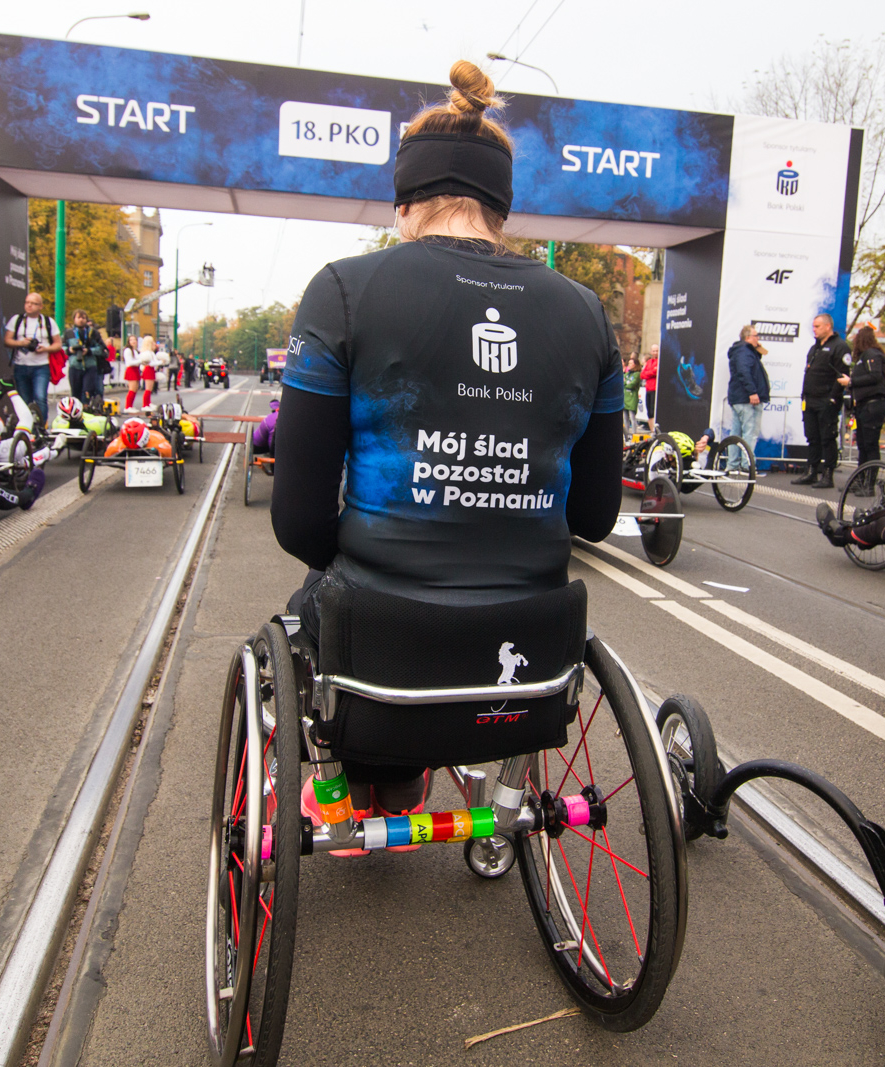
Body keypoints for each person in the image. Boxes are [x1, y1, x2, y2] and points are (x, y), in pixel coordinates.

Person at [270, 60, 621, 836]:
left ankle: (373, 781)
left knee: (316, 594)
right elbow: (594, 515)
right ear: (501, 207)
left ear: (403, 202)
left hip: (382, 650)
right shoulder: (587, 313)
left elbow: (297, 519)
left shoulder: (344, 290)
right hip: (532, 650)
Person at [792, 313, 850, 488]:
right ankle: (811, 471)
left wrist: (832, 399)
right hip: (810, 400)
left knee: (827, 438)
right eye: (813, 326)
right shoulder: (815, 348)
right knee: (812, 437)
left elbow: (842, 376)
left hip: (826, 401)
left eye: (817, 326)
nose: (814, 329)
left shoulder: (840, 347)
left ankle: (827, 474)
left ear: (827, 326)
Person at [3, 292, 61, 424]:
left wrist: (45, 349)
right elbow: (7, 341)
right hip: (21, 365)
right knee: (24, 399)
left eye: (34, 303)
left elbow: (58, 344)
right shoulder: (16, 320)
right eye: (27, 302)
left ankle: (41, 426)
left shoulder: (48, 322)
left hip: (41, 366)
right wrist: (21, 343)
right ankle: (27, 426)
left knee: (40, 397)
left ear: (40, 306)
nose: (29, 306)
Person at [842, 324, 885, 478]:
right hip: (865, 404)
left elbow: (875, 376)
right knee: (863, 444)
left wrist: (851, 381)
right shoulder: (866, 357)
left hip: (873, 404)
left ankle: (869, 482)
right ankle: (861, 479)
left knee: (870, 444)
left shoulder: (871, 355)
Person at [725, 325, 770, 459]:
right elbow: (744, 372)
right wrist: (752, 392)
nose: (758, 338)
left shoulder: (742, 351)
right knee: (750, 432)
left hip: (740, 398)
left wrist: (756, 349)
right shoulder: (744, 351)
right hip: (746, 399)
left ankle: (733, 464)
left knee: (737, 433)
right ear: (748, 337)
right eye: (756, 336)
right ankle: (747, 465)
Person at [63, 310, 106, 404]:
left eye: (83, 318)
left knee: (87, 392)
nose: (81, 320)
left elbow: (101, 348)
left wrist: (89, 351)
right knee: (75, 393)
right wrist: (69, 350)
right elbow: (62, 347)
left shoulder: (93, 333)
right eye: (78, 317)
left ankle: (86, 410)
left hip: (90, 366)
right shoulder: (68, 333)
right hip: (75, 366)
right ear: (74, 319)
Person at [123, 335, 164, 412]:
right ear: (128, 341)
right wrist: (141, 361)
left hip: (136, 369)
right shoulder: (128, 350)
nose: (133, 341)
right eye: (131, 340)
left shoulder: (134, 351)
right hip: (131, 369)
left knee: (135, 389)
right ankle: (128, 406)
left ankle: (131, 406)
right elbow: (130, 362)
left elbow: (140, 360)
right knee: (132, 389)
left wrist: (141, 361)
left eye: (135, 339)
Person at [640, 343, 660, 429]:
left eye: (657, 351)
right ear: (651, 352)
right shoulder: (648, 362)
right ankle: (652, 430)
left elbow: (657, 372)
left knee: (653, 411)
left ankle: (655, 430)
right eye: (654, 351)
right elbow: (642, 375)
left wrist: (650, 372)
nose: (655, 352)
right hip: (648, 389)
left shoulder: (659, 361)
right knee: (649, 412)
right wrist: (652, 372)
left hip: (655, 389)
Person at [621, 355, 642, 432]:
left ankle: (634, 433)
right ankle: (627, 434)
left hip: (632, 398)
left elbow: (632, 385)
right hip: (625, 398)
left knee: (632, 417)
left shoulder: (637, 374)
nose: (629, 365)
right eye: (628, 363)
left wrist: (625, 383)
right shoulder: (627, 374)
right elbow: (621, 381)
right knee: (625, 417)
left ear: (635, 364)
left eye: (631, 363)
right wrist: (625, 383)